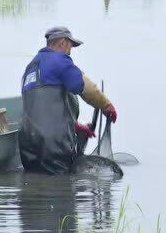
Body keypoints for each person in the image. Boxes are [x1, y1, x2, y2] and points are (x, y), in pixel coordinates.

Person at [18, 27, 118, 175]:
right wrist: (106, 106)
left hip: (27, 146)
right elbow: (85, 87)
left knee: (34, 184)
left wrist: (76, 126)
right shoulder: (60, 60)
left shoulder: (30, 68)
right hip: (53, 146)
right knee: (60, 188)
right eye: (71, 46)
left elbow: (41, 111)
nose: (70, 51)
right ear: (63, 42)